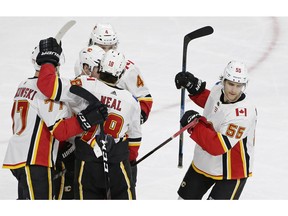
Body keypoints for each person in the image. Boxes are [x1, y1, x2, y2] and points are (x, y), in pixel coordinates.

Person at [36, 38, 142, 199]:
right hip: (117, 165)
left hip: (87, 162)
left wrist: (48, 59)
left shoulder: (86, 84)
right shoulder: (131, 100)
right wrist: (130, 164)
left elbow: (47, 86)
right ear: (120, 74)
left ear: (101, 67)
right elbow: (134, 142)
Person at [2, 43, 107, 200]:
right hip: (36, 160)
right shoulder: (45, 92)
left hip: (18, 158)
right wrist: (87, 119)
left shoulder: (23, 85)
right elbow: (60, 131)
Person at [83, 23, 153, 193]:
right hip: (91, 141)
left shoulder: (127, 68)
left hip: (118, 143)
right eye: (101, 47)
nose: (106, 52)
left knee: (123, 190)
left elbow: (145, 100)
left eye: (110, 47)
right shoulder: (85, 62)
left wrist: (133, 120)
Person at [174, 60, 257, 200]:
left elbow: (218, 146)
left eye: (238, 86)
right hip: (204, 162)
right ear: (223, 80)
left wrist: (194, 125)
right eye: (231, 84)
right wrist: (194, 88)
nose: (233, 90)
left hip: (231, 172)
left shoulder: (243, 115)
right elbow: (213, 103)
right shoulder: (218, 89)